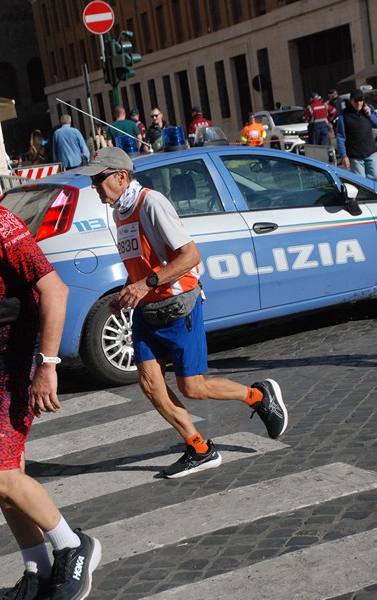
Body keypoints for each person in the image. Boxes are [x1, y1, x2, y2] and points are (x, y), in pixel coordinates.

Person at [79, 147, 288, 479]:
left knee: (192, 387)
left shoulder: (151, 202)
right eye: (92, 180)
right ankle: (200, 448)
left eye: (98, 178)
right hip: (147, 310)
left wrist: (146, 284)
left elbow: (190, 256)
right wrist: (128, 292)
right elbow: (142, 263)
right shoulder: (119, 210)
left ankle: (258, 396)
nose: (94, 186)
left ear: (121, 176)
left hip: (179, 305)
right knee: (150, 385)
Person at [0, 202, 101, 599]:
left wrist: (47, 366)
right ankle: (38, 569)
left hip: (16, 356)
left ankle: (72, 544)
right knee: (2, 474)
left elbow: (54, 288)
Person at [336, 88, 377, 180]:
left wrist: (370, 115)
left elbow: (376, 124)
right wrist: (344, 156)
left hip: (371, 152)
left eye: (361, 100)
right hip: (355, 156)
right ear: (351, 101)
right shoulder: (344, 115)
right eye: (356, 100)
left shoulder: (368, 109)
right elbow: (340, 137)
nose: (358, 103)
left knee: (375, 177)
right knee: (361, 181)